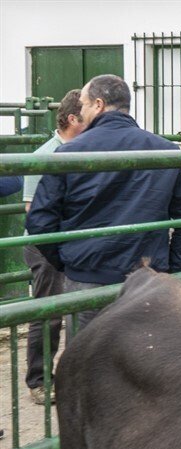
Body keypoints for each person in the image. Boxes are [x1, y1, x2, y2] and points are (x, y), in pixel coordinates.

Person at [26, 74, 181, 338]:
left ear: (98, 105)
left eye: (83, 104)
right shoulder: (165, 151)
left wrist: (69, 263)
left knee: (88, 355)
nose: (81, 111)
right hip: (147, 277)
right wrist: (171, 268)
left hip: (87, 276)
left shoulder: (68, 154)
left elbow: (39, 221)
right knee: (144, 354)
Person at [22, 89, 84, 405]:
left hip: (72, 241)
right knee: (49, 312)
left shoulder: (83, 151)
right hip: (47, 245)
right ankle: (39, 380)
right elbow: (34, 213)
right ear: (73, 119)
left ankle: (73, 378)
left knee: (77, 309)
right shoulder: (47, 155)